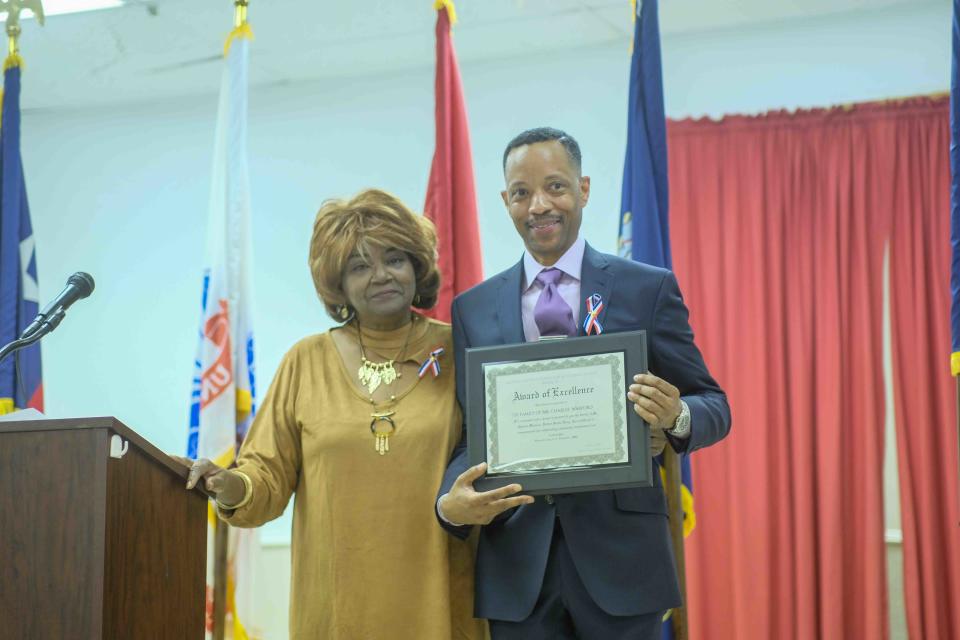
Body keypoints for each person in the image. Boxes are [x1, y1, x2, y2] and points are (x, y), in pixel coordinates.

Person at [436, 127, 731, 639]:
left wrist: (675, 415)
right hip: (517, 569)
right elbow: (472, 435)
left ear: (584, 189)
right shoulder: (472, 310)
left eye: (555, 186)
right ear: (505, 201)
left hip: (623, 564)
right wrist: (449, 503)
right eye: (522, 193)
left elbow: (714, 405)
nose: (539, 206)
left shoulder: (647, 288)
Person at [178, 189, 488, 640]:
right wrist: (227, 484)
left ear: (417, 267)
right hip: (335, 608)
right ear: (338, 284)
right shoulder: (306, 361)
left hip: (441, 601)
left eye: (395, 259)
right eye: (359, 267)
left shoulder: (461, 349)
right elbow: (264, 476)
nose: (381, 276)